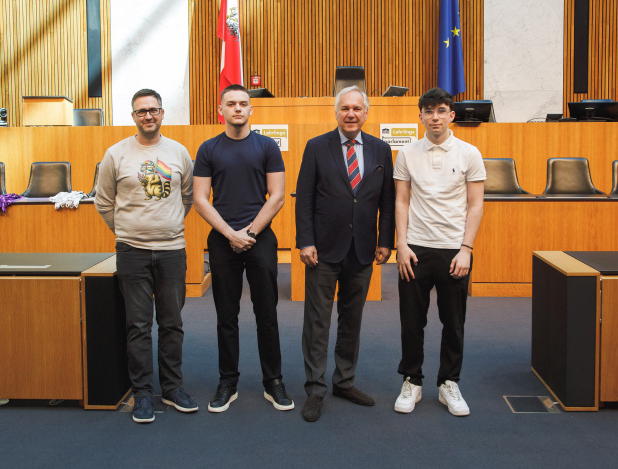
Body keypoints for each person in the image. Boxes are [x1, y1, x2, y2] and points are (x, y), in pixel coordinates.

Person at [94, 88, 197, 423]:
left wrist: (166, 225)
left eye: (153, 110)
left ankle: (172, 388)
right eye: (141, 111)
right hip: (132, 253)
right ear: (134, 116)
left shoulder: (179, 152)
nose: (148, 116)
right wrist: (127, 230)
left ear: (163, 113)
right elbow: (103, 201)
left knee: (172, 323)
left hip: (171, 251)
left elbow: (188, 197)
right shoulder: (116, 154)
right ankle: (142, 394)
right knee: (137, 325)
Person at [295, 86, 395, 422]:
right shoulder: (316, 147)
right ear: (335, 112)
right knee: (317, 321)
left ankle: (345, 381)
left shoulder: (381, 150)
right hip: (322, 250)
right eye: (344, 108)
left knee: (352, 320)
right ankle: (315, 388)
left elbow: (387, 201)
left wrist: (386, 241)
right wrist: (305, 241)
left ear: (366, 113)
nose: (350, 114)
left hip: (364, 250)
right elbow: (305, 199)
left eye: (357, 108)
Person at [193, 84, 293, 413]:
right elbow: (199, 199)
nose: (238, 108)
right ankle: (227, 382)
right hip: (222, 240)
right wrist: (230, 234)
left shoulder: (266, 146)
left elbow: (276, 196)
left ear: (252, 110)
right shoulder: (208, 149)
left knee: (267, 314)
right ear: (220, 110)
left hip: (260, 238)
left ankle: (273, 382)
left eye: (243, 104)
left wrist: (248, 232)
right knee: (226, 315)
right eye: (231, 104)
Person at [393, 87, 485, 416]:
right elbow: (401, 202)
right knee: (411, 322)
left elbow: (475, 206)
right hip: (415, 249)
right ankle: (412, 381)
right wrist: (401, 245)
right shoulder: (406, 154)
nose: (435, 116)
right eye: (428, 111)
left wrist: (466, 249)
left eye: (441, 110)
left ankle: (449, 383)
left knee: (454, 322)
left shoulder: (469, 153)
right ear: (420, 116)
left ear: (451, 116)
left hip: (453, 251)